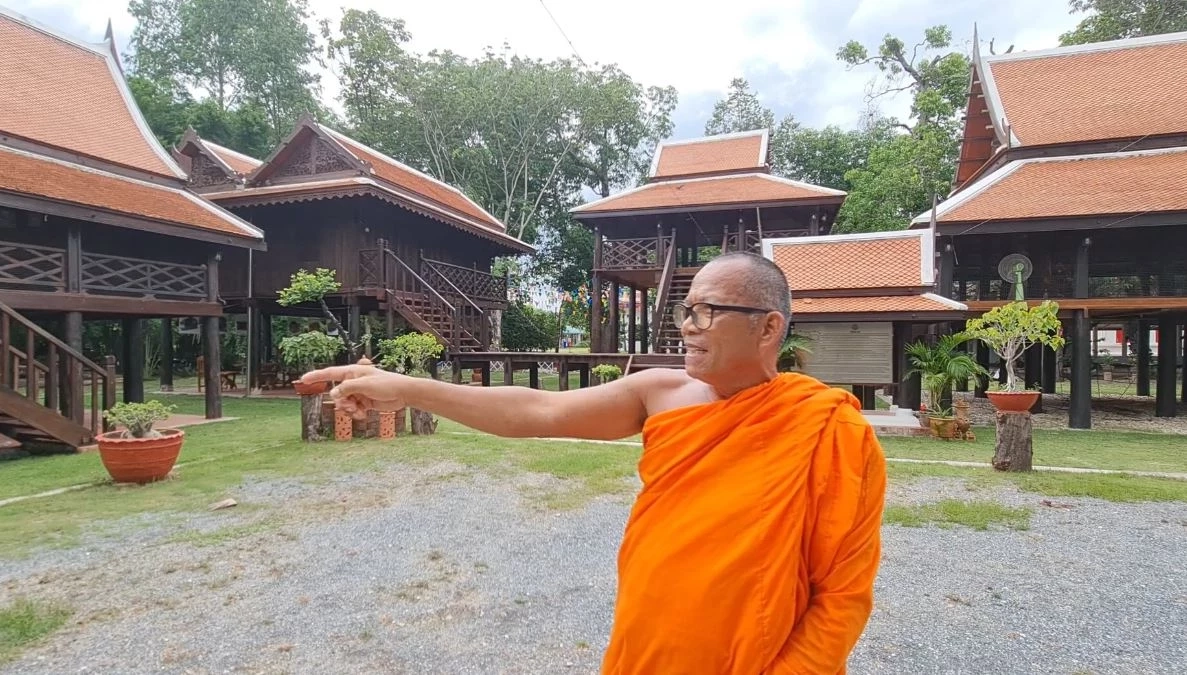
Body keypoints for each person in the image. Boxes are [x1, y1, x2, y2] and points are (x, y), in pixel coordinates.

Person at [301, 251, 887, 674]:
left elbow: (842, 595)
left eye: (706, 312)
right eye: (686, 309)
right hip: (648, 645)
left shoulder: (828, 428)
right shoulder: (659, 391)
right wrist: (405, 388)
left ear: (769, 327)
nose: (687, 325)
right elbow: (534, 410)